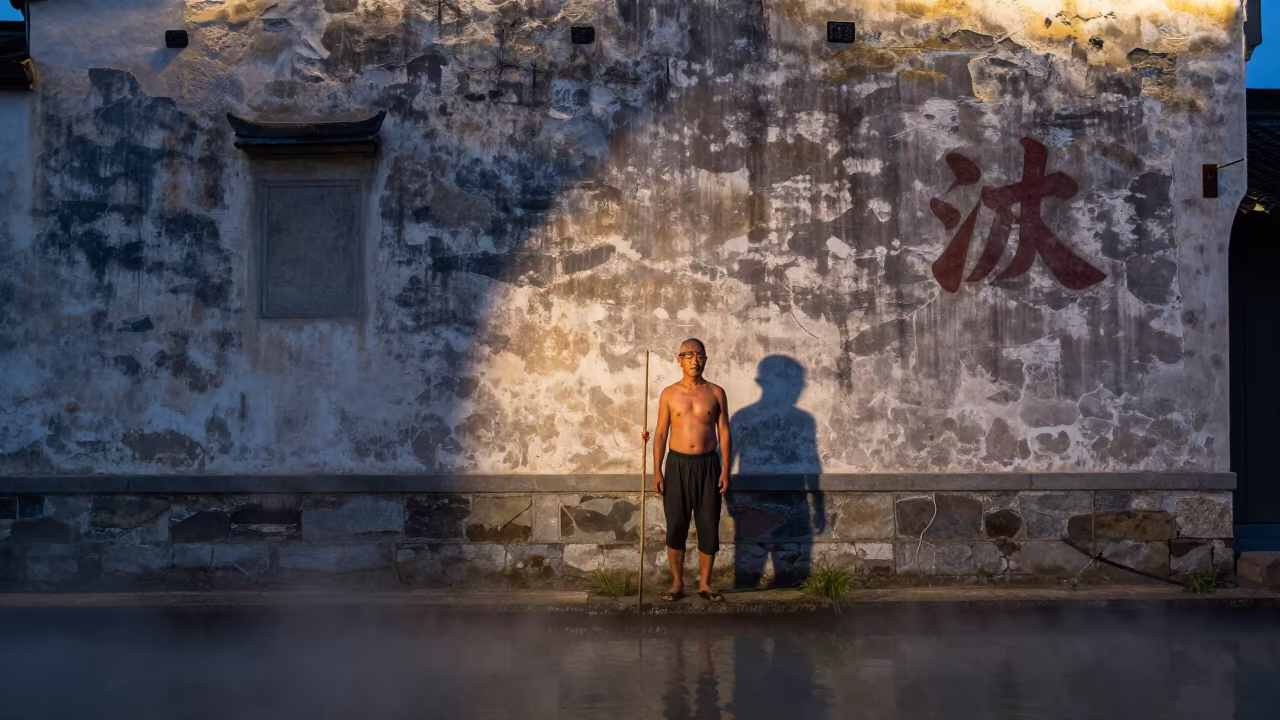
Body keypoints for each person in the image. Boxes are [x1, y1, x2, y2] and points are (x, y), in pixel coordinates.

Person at [649, 338, 731, 603]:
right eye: (688, 356)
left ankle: (705, 584)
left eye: (699, 355)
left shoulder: (716, 392)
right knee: (676, 526)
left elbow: (725, 432)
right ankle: (676, 583)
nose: (694, 360)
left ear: (705, 359)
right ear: (679, 360)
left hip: (708, 465)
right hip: (677, 465)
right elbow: (661, 433)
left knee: (708, 526)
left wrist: (726, 469)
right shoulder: (669, 394)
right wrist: (657, 470)